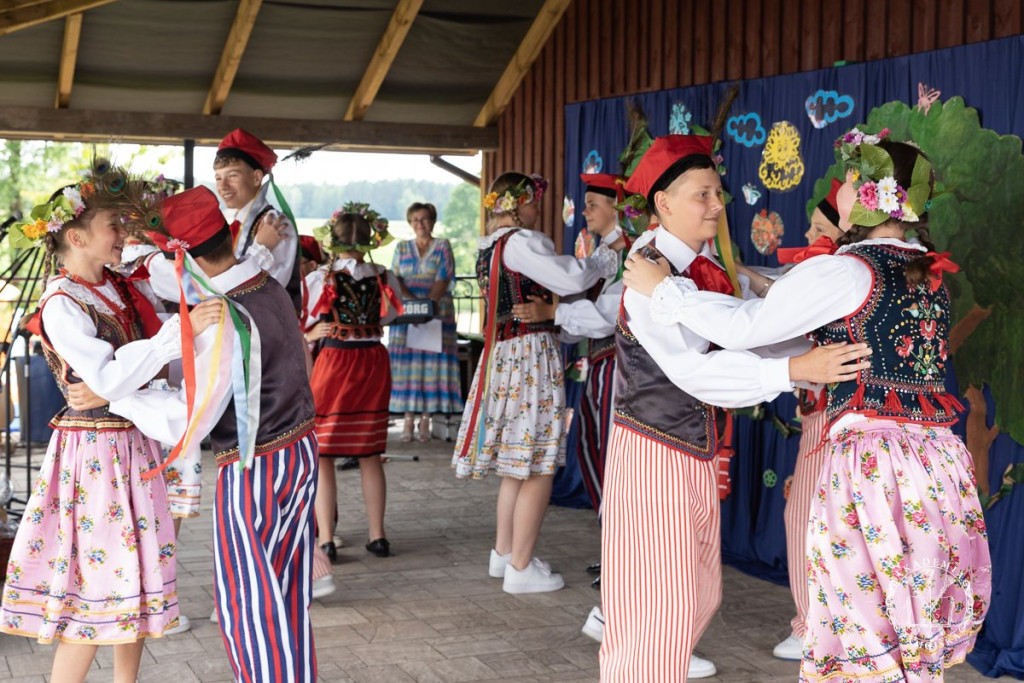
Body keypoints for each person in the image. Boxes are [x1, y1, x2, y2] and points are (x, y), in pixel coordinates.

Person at [624, 132, 991, 681]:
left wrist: (664, 290)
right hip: (935, 467)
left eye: (847, 183)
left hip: (873, 466)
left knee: (863, 620)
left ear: (868, 197)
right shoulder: (925, 271)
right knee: (908, 613)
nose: (836, 192)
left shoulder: (846, 270)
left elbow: (745, 327)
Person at [605, 133, 872, 681]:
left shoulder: (703, 265)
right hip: (654, 450)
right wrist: (796, 369)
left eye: (718, 193)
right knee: (659, 597)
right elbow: (695, 372)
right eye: (702, 194)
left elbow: (747, 331)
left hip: (689, 447)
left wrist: (812, 346)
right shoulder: (647, 274)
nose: (717, 205)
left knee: (695, 588)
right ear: (663, 203)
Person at [0, 172, 220, 682]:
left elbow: (118, 377)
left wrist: (121, 381)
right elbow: (104, 376)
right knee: (98, 587)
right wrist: (170, 340)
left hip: (132, 446)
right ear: (76, 237)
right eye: (112, 224)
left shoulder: (116, 285)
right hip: (95, 454)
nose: (122, 232)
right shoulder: (62, 303)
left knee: (135, 581)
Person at [100, 186, 320, 683]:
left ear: (183, 260)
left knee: (249, 602)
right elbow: (170, 268)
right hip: (301, 451)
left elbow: (186, 421)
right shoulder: (261, 281)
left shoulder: (226, 317)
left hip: (256, 464)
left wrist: (116, 394)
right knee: (284, 589)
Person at [452, 171, 620, 594]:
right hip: (529, 356)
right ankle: (521, 568)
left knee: (516, 465)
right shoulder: (522, 242)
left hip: (505, 356)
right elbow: (571, 279)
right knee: (538, 463)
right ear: (517, 204)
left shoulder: (491, 246)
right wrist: (605, 254)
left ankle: (505, 553)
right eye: (532, 202)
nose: (536, 210)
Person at [304, 203, 402, 560]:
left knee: (324, 453)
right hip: (373, 362)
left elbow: (302, 317)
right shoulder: (383, 275)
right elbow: (390, 315)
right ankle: (378, 535)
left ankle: (326, 538)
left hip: (335, 361)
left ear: (332, 240)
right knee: (370, 452)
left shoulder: (321, 277)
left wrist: (313, 331)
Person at [387, 202, 463, 441]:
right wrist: (413, 306)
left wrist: (428, 306)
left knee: (431, 365)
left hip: (437, 310)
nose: (420, 223)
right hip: (408, 312)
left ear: (432, 221)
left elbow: (444, 277)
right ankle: (408, 421)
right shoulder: (401, 247)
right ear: (410, 223)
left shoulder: (442, 246)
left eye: (425, 219)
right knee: (408, 367)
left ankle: (426, 421)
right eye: (415, 219)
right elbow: (395, 278)